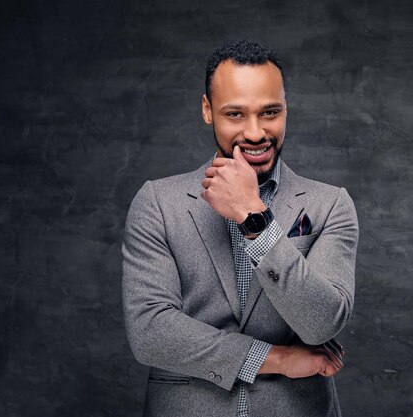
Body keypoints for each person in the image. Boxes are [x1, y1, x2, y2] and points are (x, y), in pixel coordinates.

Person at [122, 39, 359, 417]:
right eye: (235, 114)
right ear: (207, 110)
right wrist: (276, 358)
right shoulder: (158, 204)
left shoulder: (330, 205)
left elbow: (321, 324)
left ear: (286, 110)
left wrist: (253, 215)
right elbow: (151, 333)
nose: (254, 133)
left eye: (270, 112)